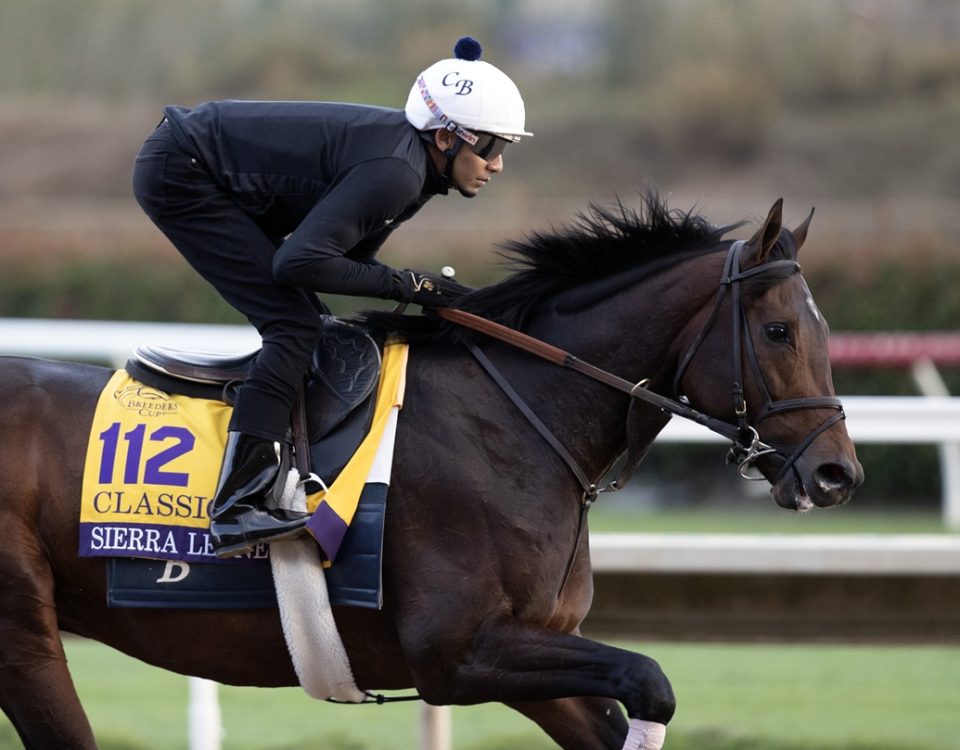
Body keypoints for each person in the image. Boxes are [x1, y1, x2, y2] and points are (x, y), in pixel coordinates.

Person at [131, 36, 532, 558]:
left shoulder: (412, 169)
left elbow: (348, 266)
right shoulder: (397, 172)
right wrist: (413, 285)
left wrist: (427, 290)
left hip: (193, 160)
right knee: (294, 327)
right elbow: (298, 263)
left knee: (311, 326)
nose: (497, 165)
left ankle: (277, 478)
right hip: (181, 171)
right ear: (447, 138)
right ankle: (235, 506)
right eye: (491, 148)